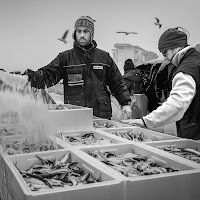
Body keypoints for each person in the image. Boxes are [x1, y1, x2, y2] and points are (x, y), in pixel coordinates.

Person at [0, 16, 132, 120]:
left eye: (85, 31)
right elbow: (47, 75)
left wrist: (125, 103)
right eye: (78, 31)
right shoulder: (65, 58)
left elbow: (117, 82)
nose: (81, 35)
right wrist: (25, 79)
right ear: (74, 34)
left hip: (102, 117)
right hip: (75, 116)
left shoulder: (104, 57)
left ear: (91, 34)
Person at [123, 27, 200, 140]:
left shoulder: (185, 71)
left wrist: (145, 122)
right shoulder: (196, 59)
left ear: (177, 47)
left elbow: (177, 105)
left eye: (165, 52)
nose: (165, 57)